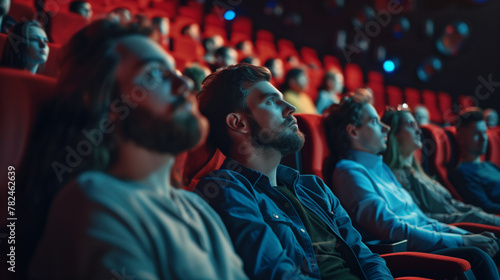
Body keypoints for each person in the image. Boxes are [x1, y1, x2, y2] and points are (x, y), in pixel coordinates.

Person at [18, 20, 247, 280]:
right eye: (153, 74)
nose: (184, 83)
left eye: (173, 70)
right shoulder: (95, 202)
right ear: (109, 105)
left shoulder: (197, 207)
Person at [195, 64, 393, 279]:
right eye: (271, 101)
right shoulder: (227, 190)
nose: (290, 108)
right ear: (238, 122)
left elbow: (367, 258)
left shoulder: (314, 188)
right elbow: (278, 274)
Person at [326, 97, 500, 280]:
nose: (385, 128)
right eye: (374, 122)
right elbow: (391, 229)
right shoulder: (349, 172)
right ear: (353, 131)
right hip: (404, 255)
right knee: (477, 257)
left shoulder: (381, 168)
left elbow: (423, 220)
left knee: (492, 245)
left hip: (427, 243)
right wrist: (463, 240)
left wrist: (467, 235)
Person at [381, 107, 500, 226]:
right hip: (457, 230)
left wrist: (475, 213)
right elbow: (420, 217)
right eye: (411, 125)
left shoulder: (419, 173)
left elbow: (452, 204)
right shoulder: (397, 177)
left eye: (417, 125)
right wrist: (473, 217)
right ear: (393, 134)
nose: (419, 131)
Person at [450, 107, 500, 214]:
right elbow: (486, 208)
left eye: (484, 132)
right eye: (477, 133)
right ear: (461, 137)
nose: (484, 138)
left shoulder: (491, 166)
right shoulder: (462, 172)